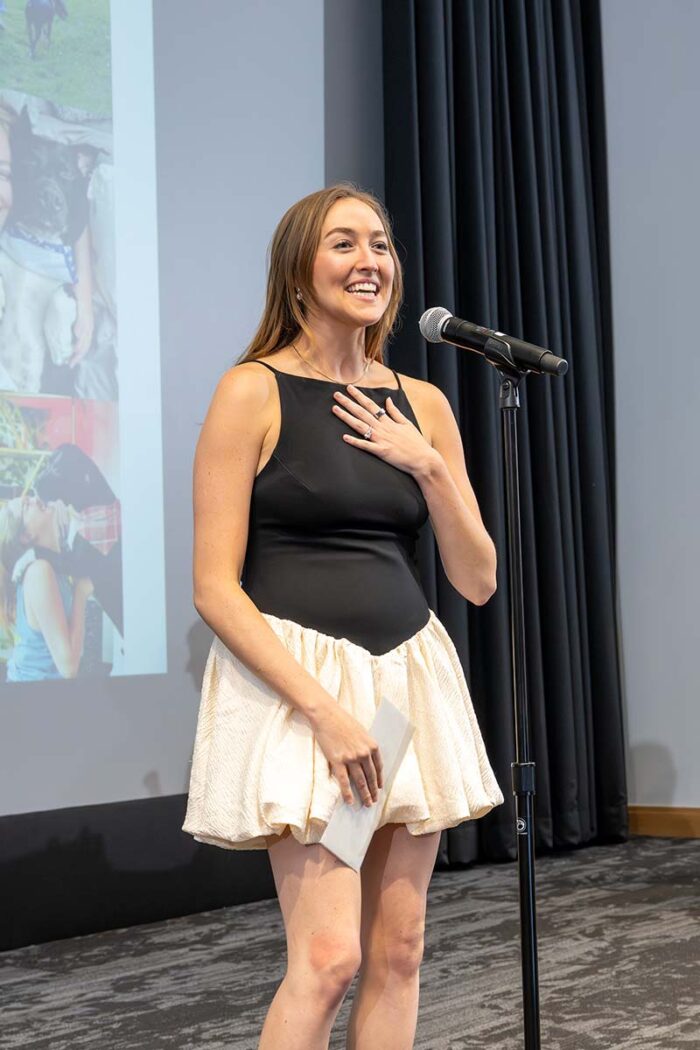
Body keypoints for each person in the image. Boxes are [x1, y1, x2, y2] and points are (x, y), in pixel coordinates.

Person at [183, 184, 504, 1049]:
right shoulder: (251, 391)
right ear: (298, 270)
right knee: (327, 958)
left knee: (398, 951)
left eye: (381, 245)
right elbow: (215, 587)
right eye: (343, 244)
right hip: (305, 692)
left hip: (405, 682)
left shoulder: (423, 404)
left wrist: (428, 466)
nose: (370, 261)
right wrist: (325, 714)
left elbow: (477, 579)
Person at [0, 492, 93, 681]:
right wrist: (81, 593)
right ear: (26, 535)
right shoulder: (39, 572)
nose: (35, 499)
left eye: (30, 498)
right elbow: (68, 668)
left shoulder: (52, 566)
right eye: (27, 506)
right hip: (33, 699)